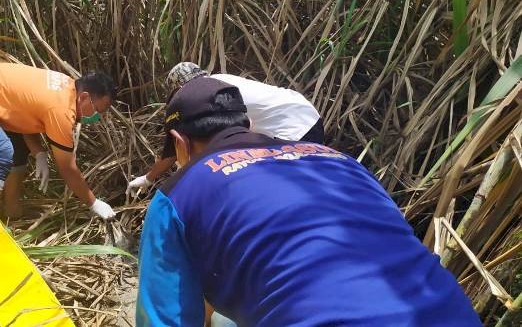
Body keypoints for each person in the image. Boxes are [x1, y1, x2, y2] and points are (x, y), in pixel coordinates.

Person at [135, 76, 480, 326]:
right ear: (247, 122)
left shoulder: (177, 196)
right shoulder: (341, 161)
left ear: (179, 142)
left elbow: (164, 319)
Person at [0, 62, 116, 223]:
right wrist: (94, 203)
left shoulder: (66, 86)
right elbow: (67, 168)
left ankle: (12, 213)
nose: (96, 117)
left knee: (18, 147)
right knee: (0, 151)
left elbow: (24, 116)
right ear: (84, 97)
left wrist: (39, 153)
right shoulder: (62, 109)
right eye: (97, 109)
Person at [126, 62, 323, 194]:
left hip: (291, 130)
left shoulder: (203, 96)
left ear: (181, 89)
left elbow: (174, 150)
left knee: (275, 189)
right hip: (308, 115)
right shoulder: (221, 82)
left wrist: (149, 178)